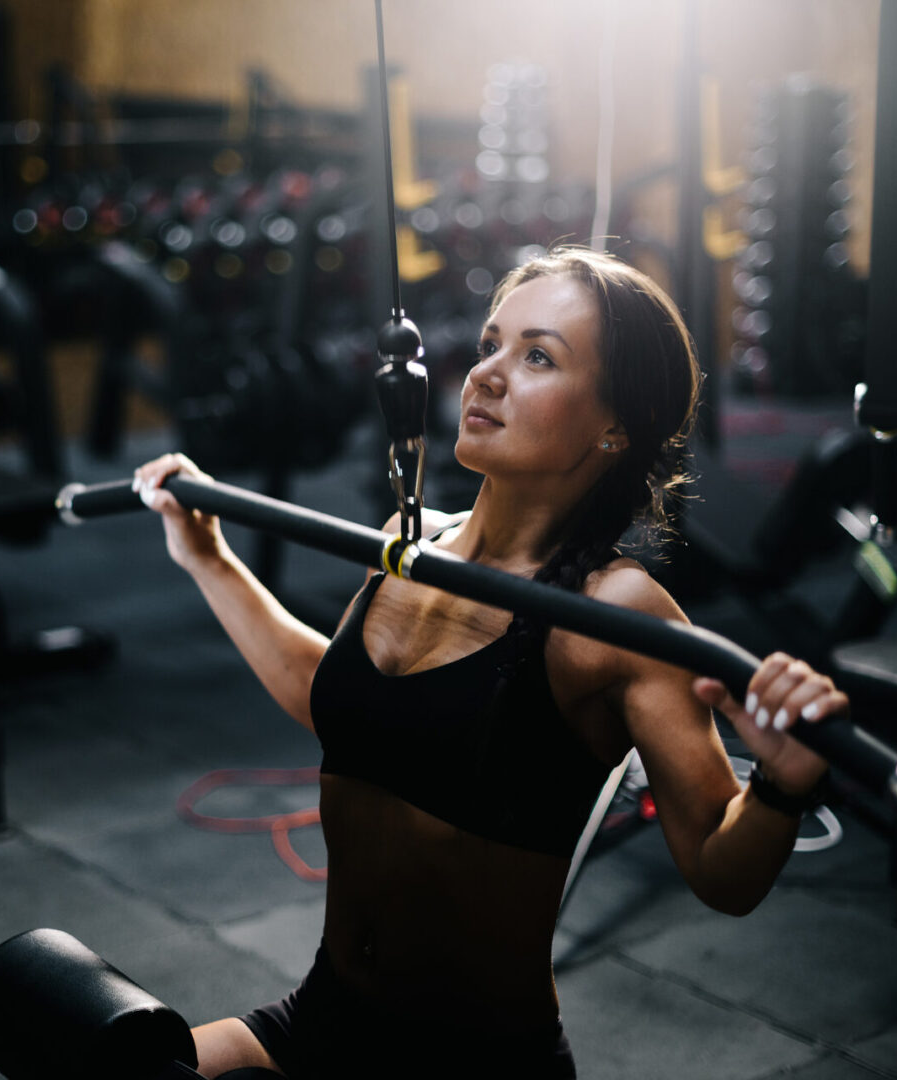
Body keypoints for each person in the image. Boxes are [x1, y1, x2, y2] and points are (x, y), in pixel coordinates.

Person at [132, 246, 843, 1079]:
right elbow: (325, 693)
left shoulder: (615, 615)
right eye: (490, 345)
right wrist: (209, 559)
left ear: (617, 424)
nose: (486, 375)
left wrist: (779, 786)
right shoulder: (408, 546)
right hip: (319, 1021)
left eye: (538, 357)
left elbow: (722, 873)